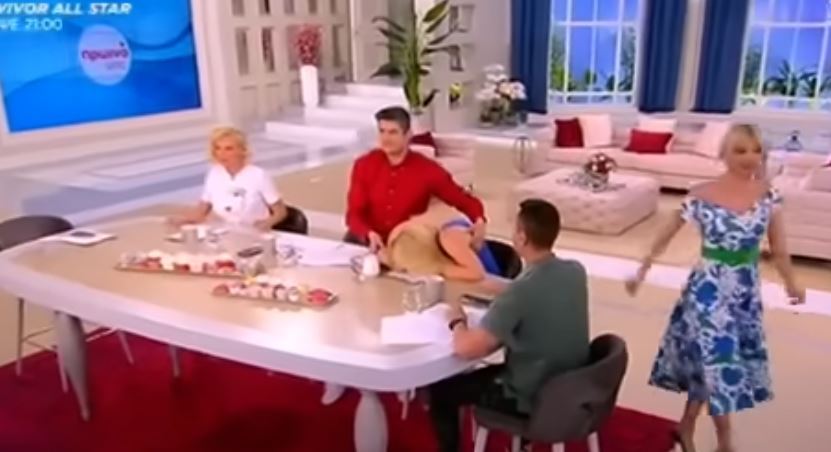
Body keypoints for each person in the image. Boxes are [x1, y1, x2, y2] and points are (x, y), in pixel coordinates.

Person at [626, 124, 805, 452]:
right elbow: (667, 232)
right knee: (721, 363)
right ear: (723, 154)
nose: (749, 157)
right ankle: (725, 442)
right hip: (706, 291)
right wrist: (642, 268)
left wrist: (791, 281)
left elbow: (779, 248)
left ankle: (686, 425)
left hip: (744, 294)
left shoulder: (769, 196)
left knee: (708, 362)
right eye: (740, 150)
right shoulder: (701, 194)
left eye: (756, 150)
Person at [428, 199, 590, 452]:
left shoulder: (521, 293)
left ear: (522, 237)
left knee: (441, 392)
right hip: (570, 384)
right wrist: (486, 283)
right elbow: (533, 289)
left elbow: (468, 348)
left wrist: (456, 319)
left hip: (530, 393)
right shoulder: (574, 271)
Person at [345, 106, 486, 251]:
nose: (385, 138)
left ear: (408, 135)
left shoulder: (428, 170)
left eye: (393, 132)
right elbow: (354, 213)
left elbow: (462, 199)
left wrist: (479, 219)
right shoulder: (364, 165)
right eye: (382, 131)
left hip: (404, 243)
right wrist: (368, 233)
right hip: (363, 239)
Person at [170, 126, 287, 231]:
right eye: (218, 148)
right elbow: (202, 210)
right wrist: (185, 220)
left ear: (242, 150)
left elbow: (280, 212)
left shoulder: (258, 175)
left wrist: (265, 224)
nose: (221, 154)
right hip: (225, 233)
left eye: (228, 149)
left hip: (254, 234)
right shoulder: (214, 173)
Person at [379, 216, 502, 281]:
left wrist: (441, 269)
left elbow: (477, 274)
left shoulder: (447, 239)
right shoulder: (433, 240)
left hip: (495, 280)